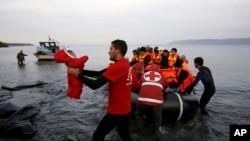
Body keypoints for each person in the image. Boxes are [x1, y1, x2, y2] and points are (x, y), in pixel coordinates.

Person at [67, 39, 132, 141]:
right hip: (125, 108)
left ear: (117, 51)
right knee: (125, 136)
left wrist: (77, 75)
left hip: (116, 111)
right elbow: (99, 73)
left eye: (111, 48)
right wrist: (80, 71)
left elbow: (94, 85)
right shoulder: (125, 63)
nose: (108, 51)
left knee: (97, 136)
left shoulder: (118, 67)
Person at [136, 64, 168, 136]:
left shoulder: (143, 75)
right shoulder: (162, 77)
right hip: (157, 101)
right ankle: (159, 129)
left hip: (142, 99)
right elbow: (166, 89)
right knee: (158, 116)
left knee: (138, 114)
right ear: (158, 70)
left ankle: (139, 128)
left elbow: (139, 86)